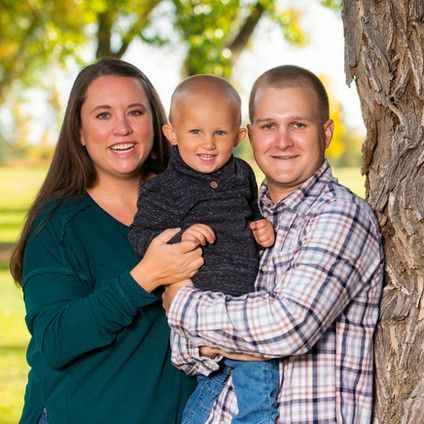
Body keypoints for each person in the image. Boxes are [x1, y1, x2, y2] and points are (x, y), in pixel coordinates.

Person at [164, 65, 384, 423]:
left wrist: (183, 304)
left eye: (298, 125)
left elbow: (288, 326)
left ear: (325, 133)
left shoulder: (342, 216)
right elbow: (183, 350)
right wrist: (212, 336)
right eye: (268, 126)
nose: (282, 141)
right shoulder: (239, 215)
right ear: (250, 135)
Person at [10, 58, 204, 424]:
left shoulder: (191, 201)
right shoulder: (57, 225)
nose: (122, 129)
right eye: (103, 115)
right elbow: (54, 340)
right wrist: (144, 278)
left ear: (158, 123)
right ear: (80, 132)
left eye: (135, 112)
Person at [128, 75, 279, 424]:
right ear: (172, 134)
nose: (208, 144)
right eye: (195, 132)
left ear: (239, 135)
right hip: (201, 309)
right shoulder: (163, 190)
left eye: (220, 133)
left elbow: (250, 215)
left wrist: (262, 228)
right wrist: (181, 235)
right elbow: (140, 235)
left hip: (246, 306)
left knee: (230, 391)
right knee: (244, 385)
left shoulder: (242, 173)